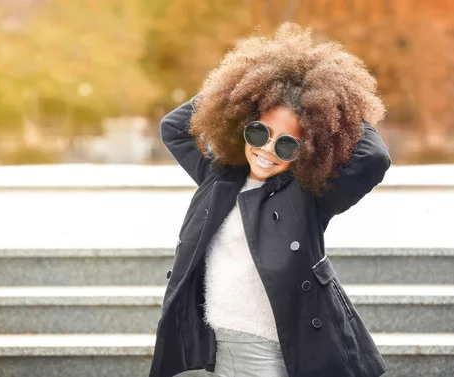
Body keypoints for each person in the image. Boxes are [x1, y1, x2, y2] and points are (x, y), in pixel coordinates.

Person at [149, 23, 391, 377]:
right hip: (220, 347)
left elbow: (373, 158)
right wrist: (239, 90)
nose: (266, 149)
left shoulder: (308, 197)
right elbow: (175, 126)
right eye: (259, 131)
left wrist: (340, 106)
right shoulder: (220, 176)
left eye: (286, 143)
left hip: (277, 353)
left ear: (306, 149)